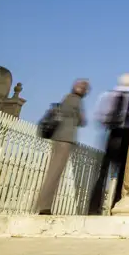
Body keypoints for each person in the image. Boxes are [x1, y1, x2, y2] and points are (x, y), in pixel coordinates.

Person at [36, 79, 89, 215]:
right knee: (54, 174)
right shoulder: (75, 100)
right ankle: (43, 207)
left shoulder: (67, 98)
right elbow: (82, 121)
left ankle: (43, 205)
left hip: (59, 138)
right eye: (84, 87)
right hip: (64, 140)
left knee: (53, 173)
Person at [87, 73, 129, 215]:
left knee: (120, 174)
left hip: (125, 135)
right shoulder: (112, 96)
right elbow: (100, 114)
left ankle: (115, 206)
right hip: (115, 133)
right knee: (105, 173)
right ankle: (95, 207)